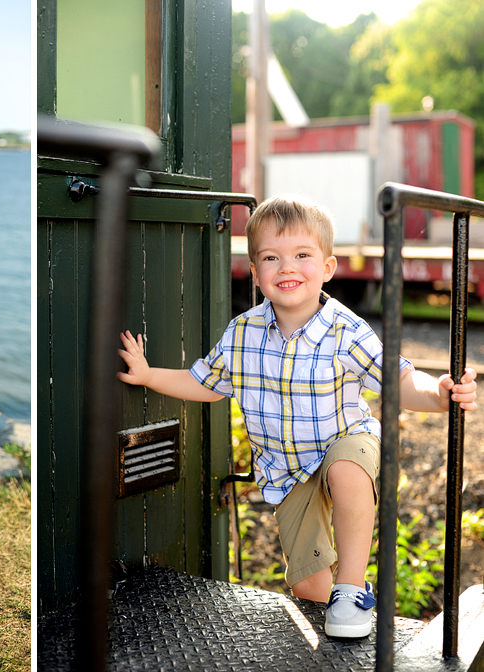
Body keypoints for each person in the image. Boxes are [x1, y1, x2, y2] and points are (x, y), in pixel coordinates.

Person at [117, 194, 477, 638]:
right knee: (306, 584)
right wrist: (150, 374)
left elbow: (399, 379)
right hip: (287, 470)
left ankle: (350, 589)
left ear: (326, 268)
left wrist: (438, 394)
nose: (286, 267)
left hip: (345, 441)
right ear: (255, 272)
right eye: (271, 257)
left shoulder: (345, 331)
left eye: (302, 255)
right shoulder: (243, 332)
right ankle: (340, 614)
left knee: (346, 469)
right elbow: (204, 384)